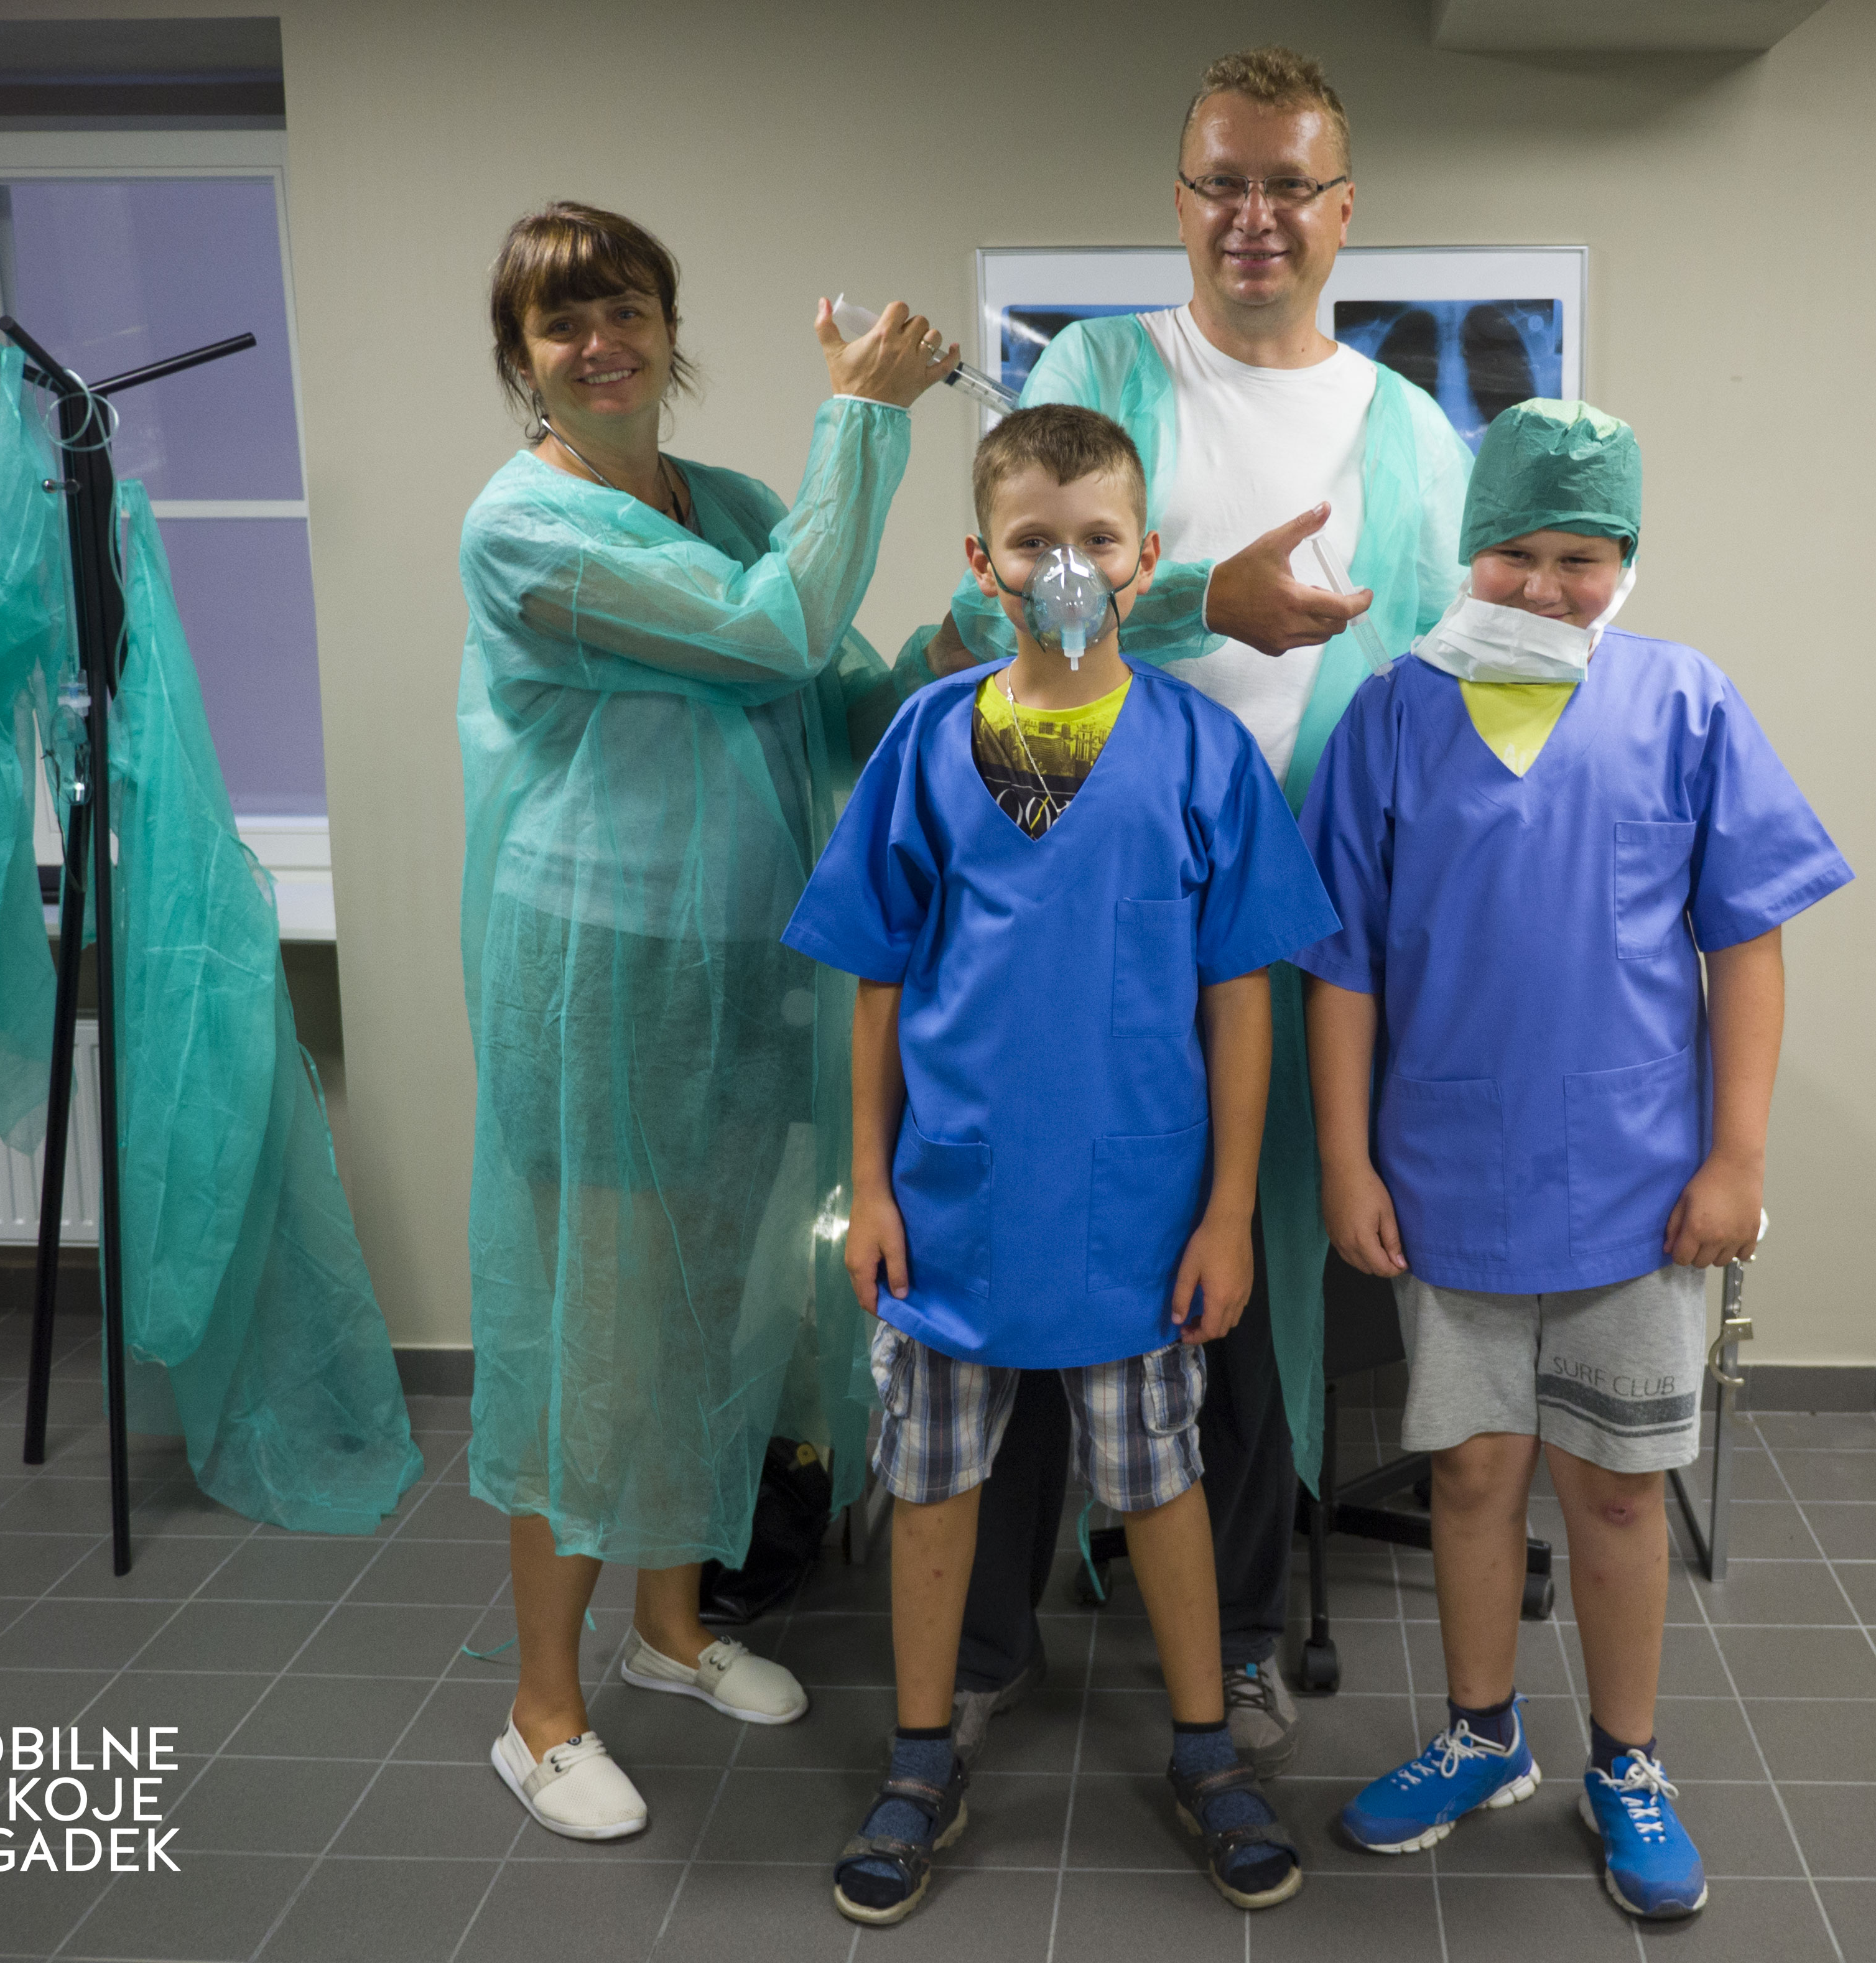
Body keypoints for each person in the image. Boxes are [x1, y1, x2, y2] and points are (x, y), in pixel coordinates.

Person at [932, 42, 1472, 1779]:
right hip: (1072, 915)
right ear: (1178, 204)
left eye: (1288, 185)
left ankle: (1232, 1640)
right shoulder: (1099, 373)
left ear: (1343, 210)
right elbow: (985, 634)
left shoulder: (1411, 434)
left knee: (1236, 1279)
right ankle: (990, 1638)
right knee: (1022, 1256)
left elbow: (1445, 695)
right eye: (1222, 183)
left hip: (1286, 930)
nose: (1255, 216)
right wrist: (1201, 611)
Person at [1295, 401, 1854, 1919]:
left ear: (1628, 560)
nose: (1546, 586)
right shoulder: (1393, 717)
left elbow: (1747, 942)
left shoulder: (1683, 702)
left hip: (1638, 1188)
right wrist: (1346, 1161)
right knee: (1472, 1473)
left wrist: (1737, 1158)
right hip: (1447, 1177)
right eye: (1517, 553)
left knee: (1614, 1492)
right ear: (1468, 549)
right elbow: (1340, 967)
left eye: (1582, 557)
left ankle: (1626, 1763)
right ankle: (1483, 1738)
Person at [784, 405, 1340, 1924]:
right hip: (953, 1203)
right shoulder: (927, 742)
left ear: (1147, 558)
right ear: (984, 566)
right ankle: (920, 1761)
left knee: (1160, 1482)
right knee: (933, 1485)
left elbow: (1242, 1000)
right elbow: (876, 983)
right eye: (1035, 542)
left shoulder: (1198, 754)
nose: (1070, 568)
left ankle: (1208, 1749)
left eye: (1098, 539)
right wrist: (872, 1187)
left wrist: (1229, 1211)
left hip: (1138, 1210)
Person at [458, 201, 964, 1840]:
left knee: (715, 1313)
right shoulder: (525, 529)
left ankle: (671, 1631)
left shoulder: (732, 503)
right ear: (522, 358)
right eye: (562, 323)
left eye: (627, 309)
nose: (601, 343)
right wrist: (866, 418)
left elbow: (835, 695)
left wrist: (971, 635)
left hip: (741, 964)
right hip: (602, 973)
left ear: (672, 330)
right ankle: (541, 1711)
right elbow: (769, 629)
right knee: (599, 1341)